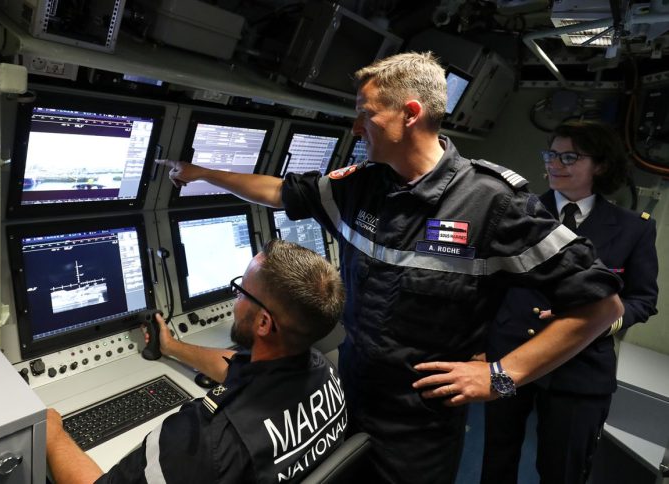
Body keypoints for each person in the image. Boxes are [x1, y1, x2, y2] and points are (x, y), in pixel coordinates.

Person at [158, 51, 624, 483]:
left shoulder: (494, 204)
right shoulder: (360, 187)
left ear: (411, 113)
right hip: (347, 397)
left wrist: (502, 375)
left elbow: (600, 306)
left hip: (417, 428)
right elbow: (277, 191)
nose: (357, 129)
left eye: (367, 113)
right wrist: (202, 175)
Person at [46, 240, 347, 484]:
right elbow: (235, 366)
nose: (234, 302)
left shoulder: (205, 441)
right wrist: (172, 346)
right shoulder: (325, 372)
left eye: (241, 291)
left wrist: (53, 436)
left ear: (264, 323)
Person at [480, 120, 659, 484]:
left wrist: (602, 322)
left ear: (601, 165)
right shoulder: (516, 212)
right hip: (511, 357)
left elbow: (642, 298)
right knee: (497, 458)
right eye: (551, 154)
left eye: (569, 156)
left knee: (563, 469)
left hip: (581, 367)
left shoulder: (632, 227)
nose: (554, 164)